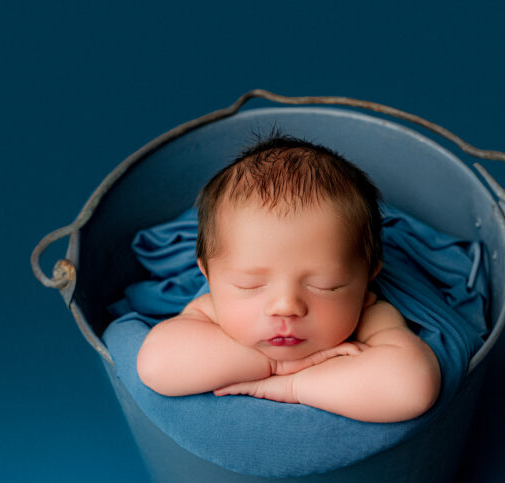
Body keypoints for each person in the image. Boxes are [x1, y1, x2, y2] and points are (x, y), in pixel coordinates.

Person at [136, 135, 441, 423]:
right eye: (249, 285)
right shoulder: (211, 310)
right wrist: (275, 364)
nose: (286, 306)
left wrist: (294, 385)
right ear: (209, 275)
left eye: (326, 285)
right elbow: (157, 365)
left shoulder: (371, 314)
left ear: (368, 276)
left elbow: (411, 388)